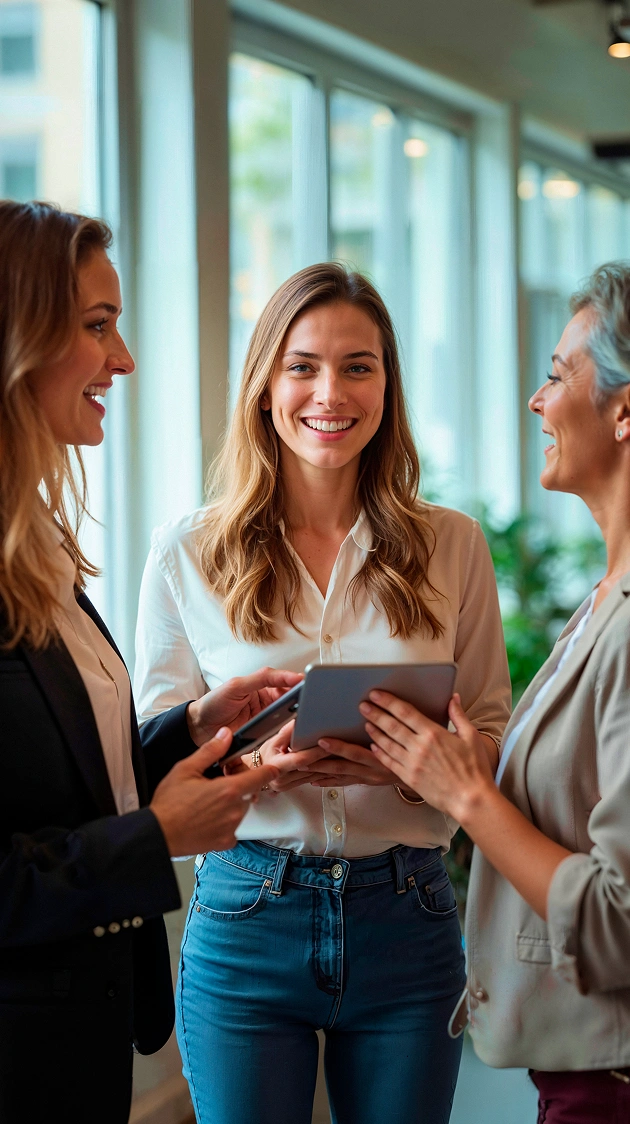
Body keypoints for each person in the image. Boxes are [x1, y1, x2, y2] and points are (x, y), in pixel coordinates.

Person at [134, 262, 512, 1124]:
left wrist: (413, 772)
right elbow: (153, 756)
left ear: (388, 386)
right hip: (247, 913)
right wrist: (250, 768)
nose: (330, 393)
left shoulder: (453, 545)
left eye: (357, 366)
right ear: (265, 387)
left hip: (408, 913)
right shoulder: (187, 551)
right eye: (302, 366)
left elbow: (491, 733)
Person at [0, 200, 293, 1124]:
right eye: (97, 326)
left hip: (75, 1035)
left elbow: (63, 777)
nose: (123, 359)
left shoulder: (33, 542)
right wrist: (156, 835)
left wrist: (192, 729)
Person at [361, 263, 630, 1123]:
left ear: (625, 411)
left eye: (558, 374)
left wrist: (467, 797)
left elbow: (617, 920)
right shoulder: (604, 600)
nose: (537, 401)